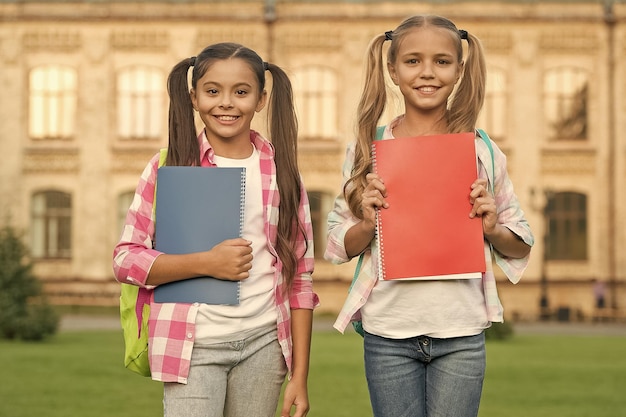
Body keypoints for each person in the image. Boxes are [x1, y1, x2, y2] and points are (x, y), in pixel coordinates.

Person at [325, 15, 534, 417]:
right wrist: (367, 224)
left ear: (459, 70)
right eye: (413, 61)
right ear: (392, 70)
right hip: (388, 331)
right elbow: (337, 243)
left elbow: (521, 238)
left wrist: (492, 227)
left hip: (460, 330)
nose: (427, 73)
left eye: (441, 61)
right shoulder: (368, 150)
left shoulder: (482, 151)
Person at [113, 42, 318, 417]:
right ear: (193, 97)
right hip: (193, 347)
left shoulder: (283, 173)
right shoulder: (168, 168)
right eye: (212, 91)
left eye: (241, 92)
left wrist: (299, 376)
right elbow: (126, 260)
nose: (226, 103)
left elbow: (301, 279)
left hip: (264, 344)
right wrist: (207, 263)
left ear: (260, 99)